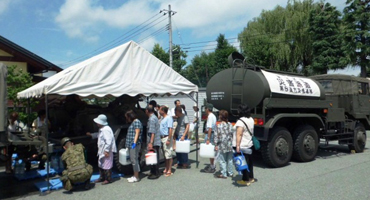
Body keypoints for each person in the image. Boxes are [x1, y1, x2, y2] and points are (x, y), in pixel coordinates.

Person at [86, 114, 117, 185]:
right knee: (101, 164)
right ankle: (102, 177)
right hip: (102, 150)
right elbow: (98, 135)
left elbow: (108, 141)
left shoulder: (106, 129)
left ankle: (108, 179)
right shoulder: (102, 129)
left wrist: (106, 150)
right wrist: (91, 135)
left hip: (106, 150)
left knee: (107, 164)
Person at [234, 104, 257, 186]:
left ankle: (245, 180)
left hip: (242, 145)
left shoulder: (240, 121)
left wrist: (237, 146)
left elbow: (239, 134)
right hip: (249, 144)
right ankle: (251, 178)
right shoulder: (251, 119)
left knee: (243, 163)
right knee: (250, 162)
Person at [214, 110, 234, 179]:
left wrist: (216, 144)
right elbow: (232, 134)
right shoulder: (230, 125)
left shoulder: (218, 126)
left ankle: (224, 173)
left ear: (220, 116)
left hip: (222, 145)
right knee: (230, 159)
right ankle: (230, 172)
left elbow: (216, 136)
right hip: (230, 144)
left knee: (222, 160)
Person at [125, 110, 143, 183]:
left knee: (134, 160)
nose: (127, 119)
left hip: (134, 144)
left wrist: (134, 143)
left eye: (127, 117)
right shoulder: (134, 122)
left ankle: (136, 176)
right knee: (133, 160)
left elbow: (137, 133)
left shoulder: (137, 122)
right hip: (131, 144)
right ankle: (134, 175)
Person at [146, 105, 161, 179]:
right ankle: (153, 171)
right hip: (156, 141)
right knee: (154, 157)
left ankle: (155, 173)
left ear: (147, 111)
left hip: (154, 142)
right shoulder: (154, 117)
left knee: (154, 158)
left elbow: (152, 132)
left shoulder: (152, 119)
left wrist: (151, 143)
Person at [159, 106, 174, 177]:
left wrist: (169, 139)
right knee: (165, 154)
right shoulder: (163, 118)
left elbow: (170, 129)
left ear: (163, 111)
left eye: (160, 110)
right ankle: (166, 168)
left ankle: (169, 170)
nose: (159, 111)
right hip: (162, 137)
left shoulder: (169, 118)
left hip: (166, 137)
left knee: (168, 154)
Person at [203, 103, 217, 173]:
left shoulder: (210, 116)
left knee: (210, 151)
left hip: (210, 134)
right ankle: (213, 165)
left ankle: (212, 167)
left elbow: (210, 128)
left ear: (208, 109)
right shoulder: (213, 116)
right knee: (212, 151)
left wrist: (208, 138)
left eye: (205, 108)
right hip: (212, 134)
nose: (205, 110)